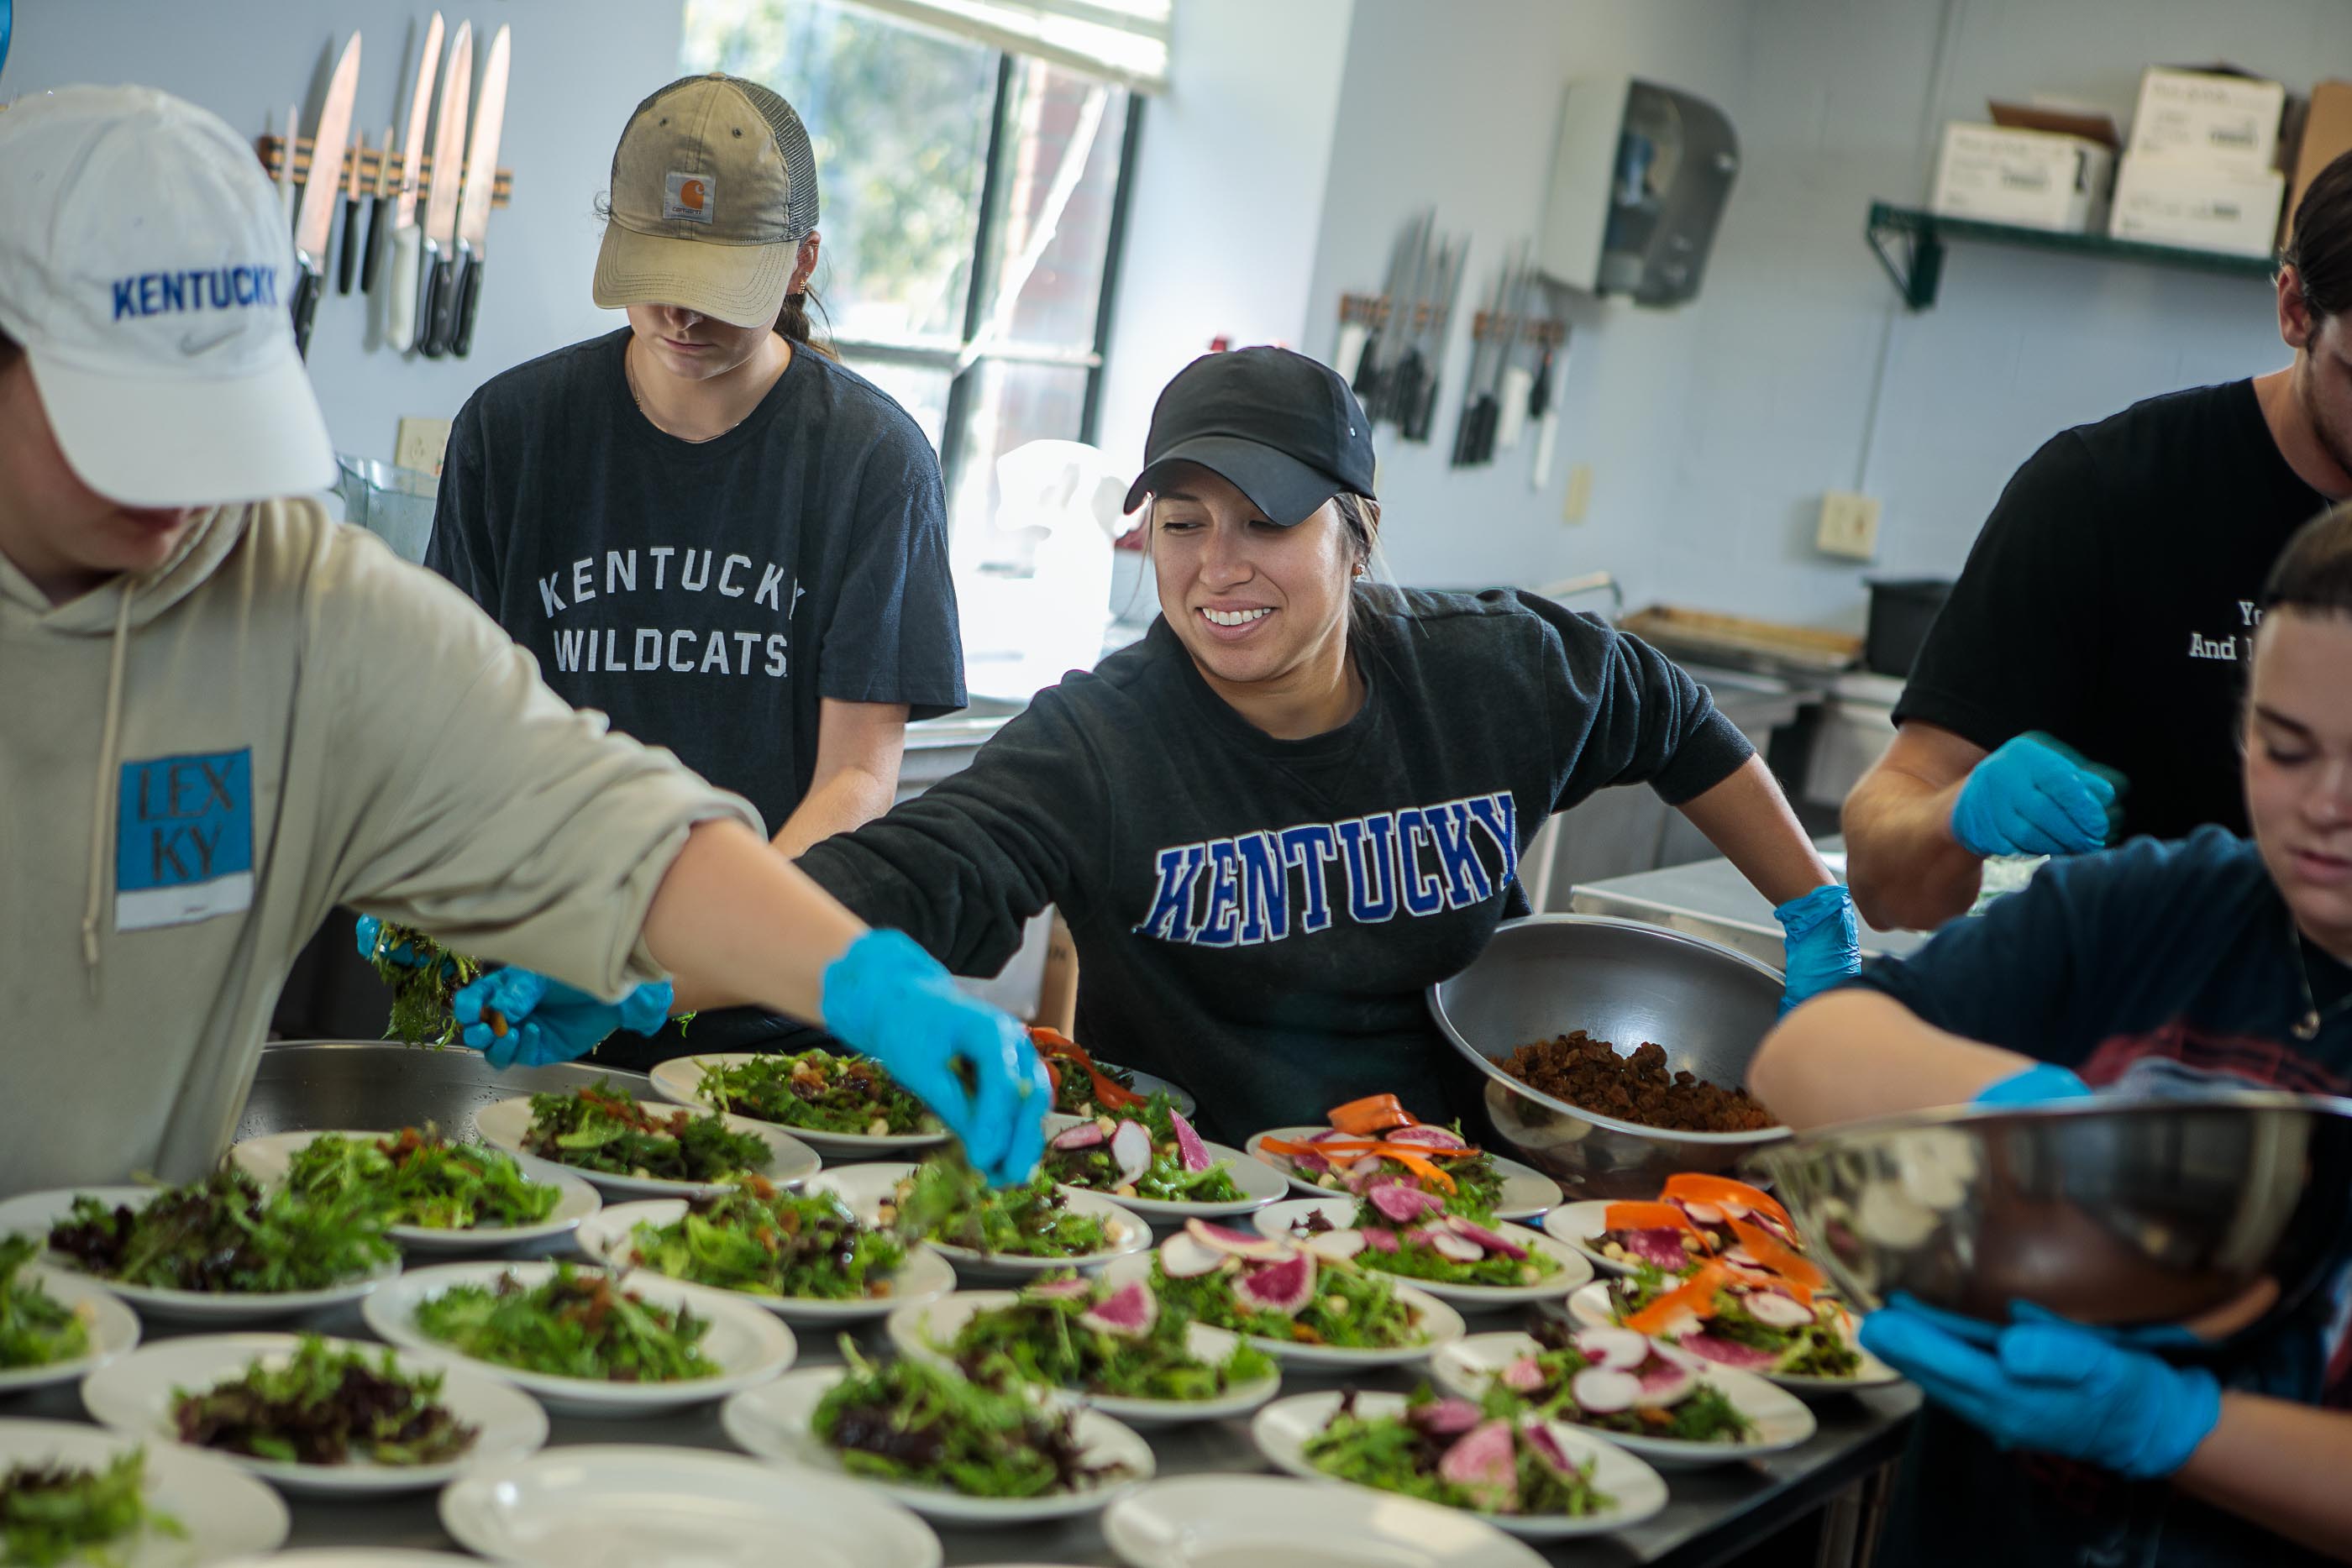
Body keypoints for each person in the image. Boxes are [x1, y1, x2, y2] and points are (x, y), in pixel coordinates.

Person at [0, 85, 1045, 1193]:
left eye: (221, 421)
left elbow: (580, 808)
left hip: (130, 1285)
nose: (184, 485)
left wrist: (861, 979)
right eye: (126, 424)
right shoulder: (522, 430)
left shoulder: (300, 597)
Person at [666, 345, 1843, 1138]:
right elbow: (892, 880)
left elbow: (1671, 714)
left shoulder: (1492, 670)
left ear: (1358, 533)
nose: (1218, 566)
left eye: (1268, 522)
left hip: (1473, 1187)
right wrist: (629, 962)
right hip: (1196, 1193)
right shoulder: (1100, 742)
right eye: (1183, 523)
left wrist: (1813, 914)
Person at [1750, 506, 2352, 1565]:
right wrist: (2031, 1115)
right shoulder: (2168, 905)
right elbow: (1803, 1053)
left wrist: (2174, 1430)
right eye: (2286, 748)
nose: (2325, 807)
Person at [423, 72, 965, 1067]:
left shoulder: (873, 463)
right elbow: (459, 728)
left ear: (801, 263)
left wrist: (689, 954)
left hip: (764, 1023)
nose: (679, 315)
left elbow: (854, 776)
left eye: (719, 287)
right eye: (653, 269)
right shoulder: (510, 435)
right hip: (535, 988)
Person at [1841, 151, 2352, 933]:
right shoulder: (2104, 492)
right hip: (2138, 1026)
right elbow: (1884, 878)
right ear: (2295, 310)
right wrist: (1956, 816)